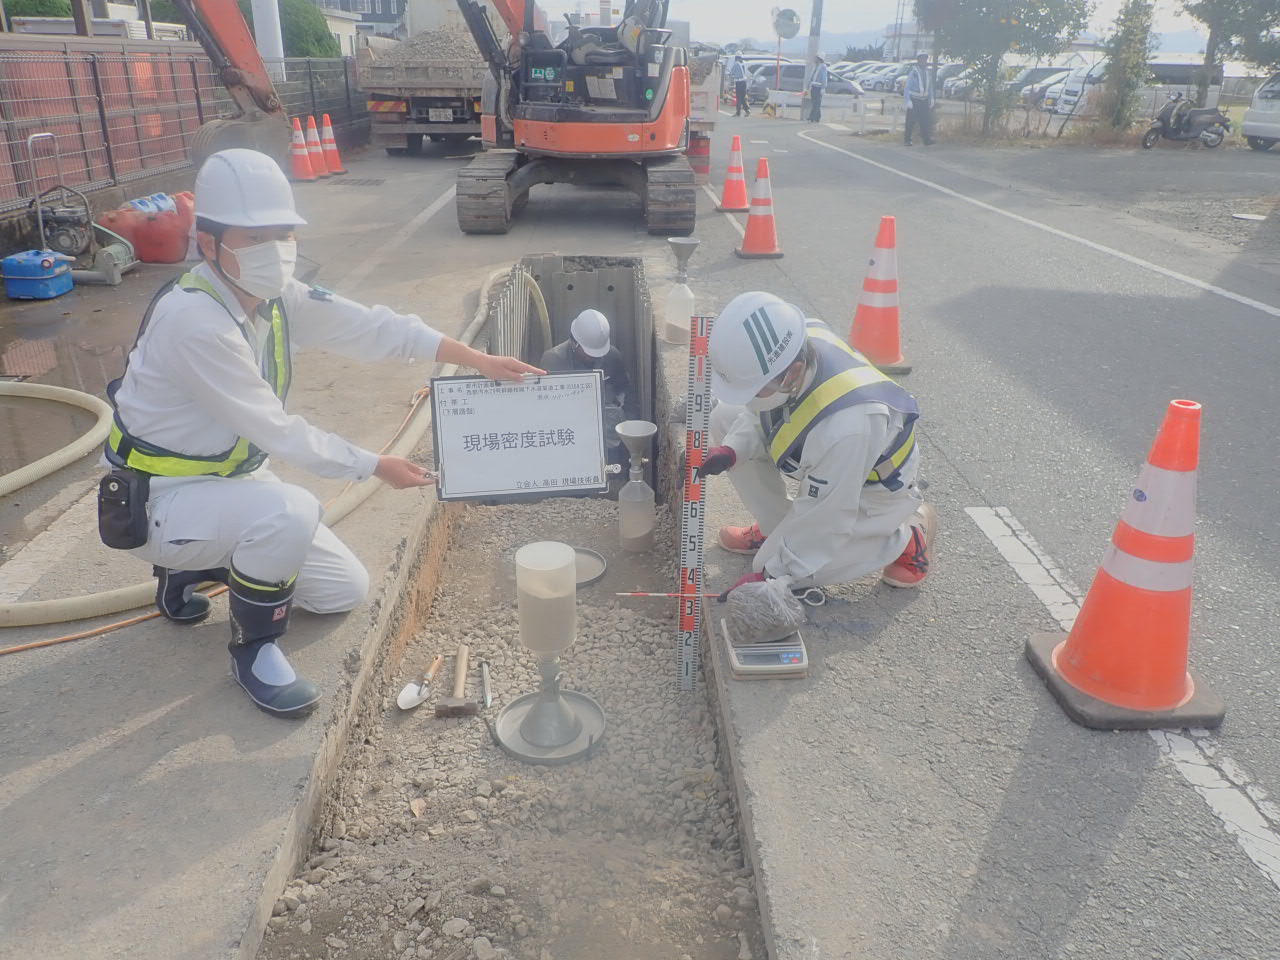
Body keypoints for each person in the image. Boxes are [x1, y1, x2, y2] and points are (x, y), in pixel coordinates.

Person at [101, 149, 542, 718]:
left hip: (227, 482)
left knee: (341, 592)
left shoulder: (274, 298)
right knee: (289, 509)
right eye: (256, 235)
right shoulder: (194, 321)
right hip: (161, 498)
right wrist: (375, 465)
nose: (276, 248)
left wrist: (474, 357)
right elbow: (279, 432)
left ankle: (199, 563)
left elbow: (371, 327)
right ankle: (254, 652)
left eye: (283, 232)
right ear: (208, 241)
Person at [697, 292, 937, 600]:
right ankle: (776, 527)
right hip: (830, 459)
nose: (748, 397)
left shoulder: (848, 426)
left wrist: (773, 574)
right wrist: (732, 450)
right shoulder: (793, 341)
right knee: (725, 417)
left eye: (754, 389)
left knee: (772, 571)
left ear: (793, 373)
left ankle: (905, 533)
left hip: (873, 490)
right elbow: (757, 412)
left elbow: (827, 514)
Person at [540, 309, 636, 461]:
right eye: (588, 352)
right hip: (568, 436)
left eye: (598, 353)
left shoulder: (612, 356)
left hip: (606, 437)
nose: (593, 356)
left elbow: (625, 393)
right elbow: (546, 410)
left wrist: (631, 434)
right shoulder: (554, 360)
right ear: (574, 343)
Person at [903, 51, 936, 146]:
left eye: (925, 59)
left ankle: (926, 139)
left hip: (924, 100)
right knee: (910, 121)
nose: (923, 61)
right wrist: (908, 101)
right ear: (918, 60)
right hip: (914, 100)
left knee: (925, 121)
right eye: (921, 59)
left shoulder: (927, 72)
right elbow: (907, 88)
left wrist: (931, 98)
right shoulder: (913, 73)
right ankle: (907, 139)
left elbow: (930, 87)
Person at [807, 56, 829, 123]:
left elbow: (824, 78)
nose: (814, 60)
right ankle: (817, 117)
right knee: (815, 103)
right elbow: (812, 77)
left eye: (816, 58)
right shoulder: (816, 67)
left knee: (816, 103)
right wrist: (808, 86)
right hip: (814, 87)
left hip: (818, 88)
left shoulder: (823, 67)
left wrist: (823, 88)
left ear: (819, 59)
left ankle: (812, 117)